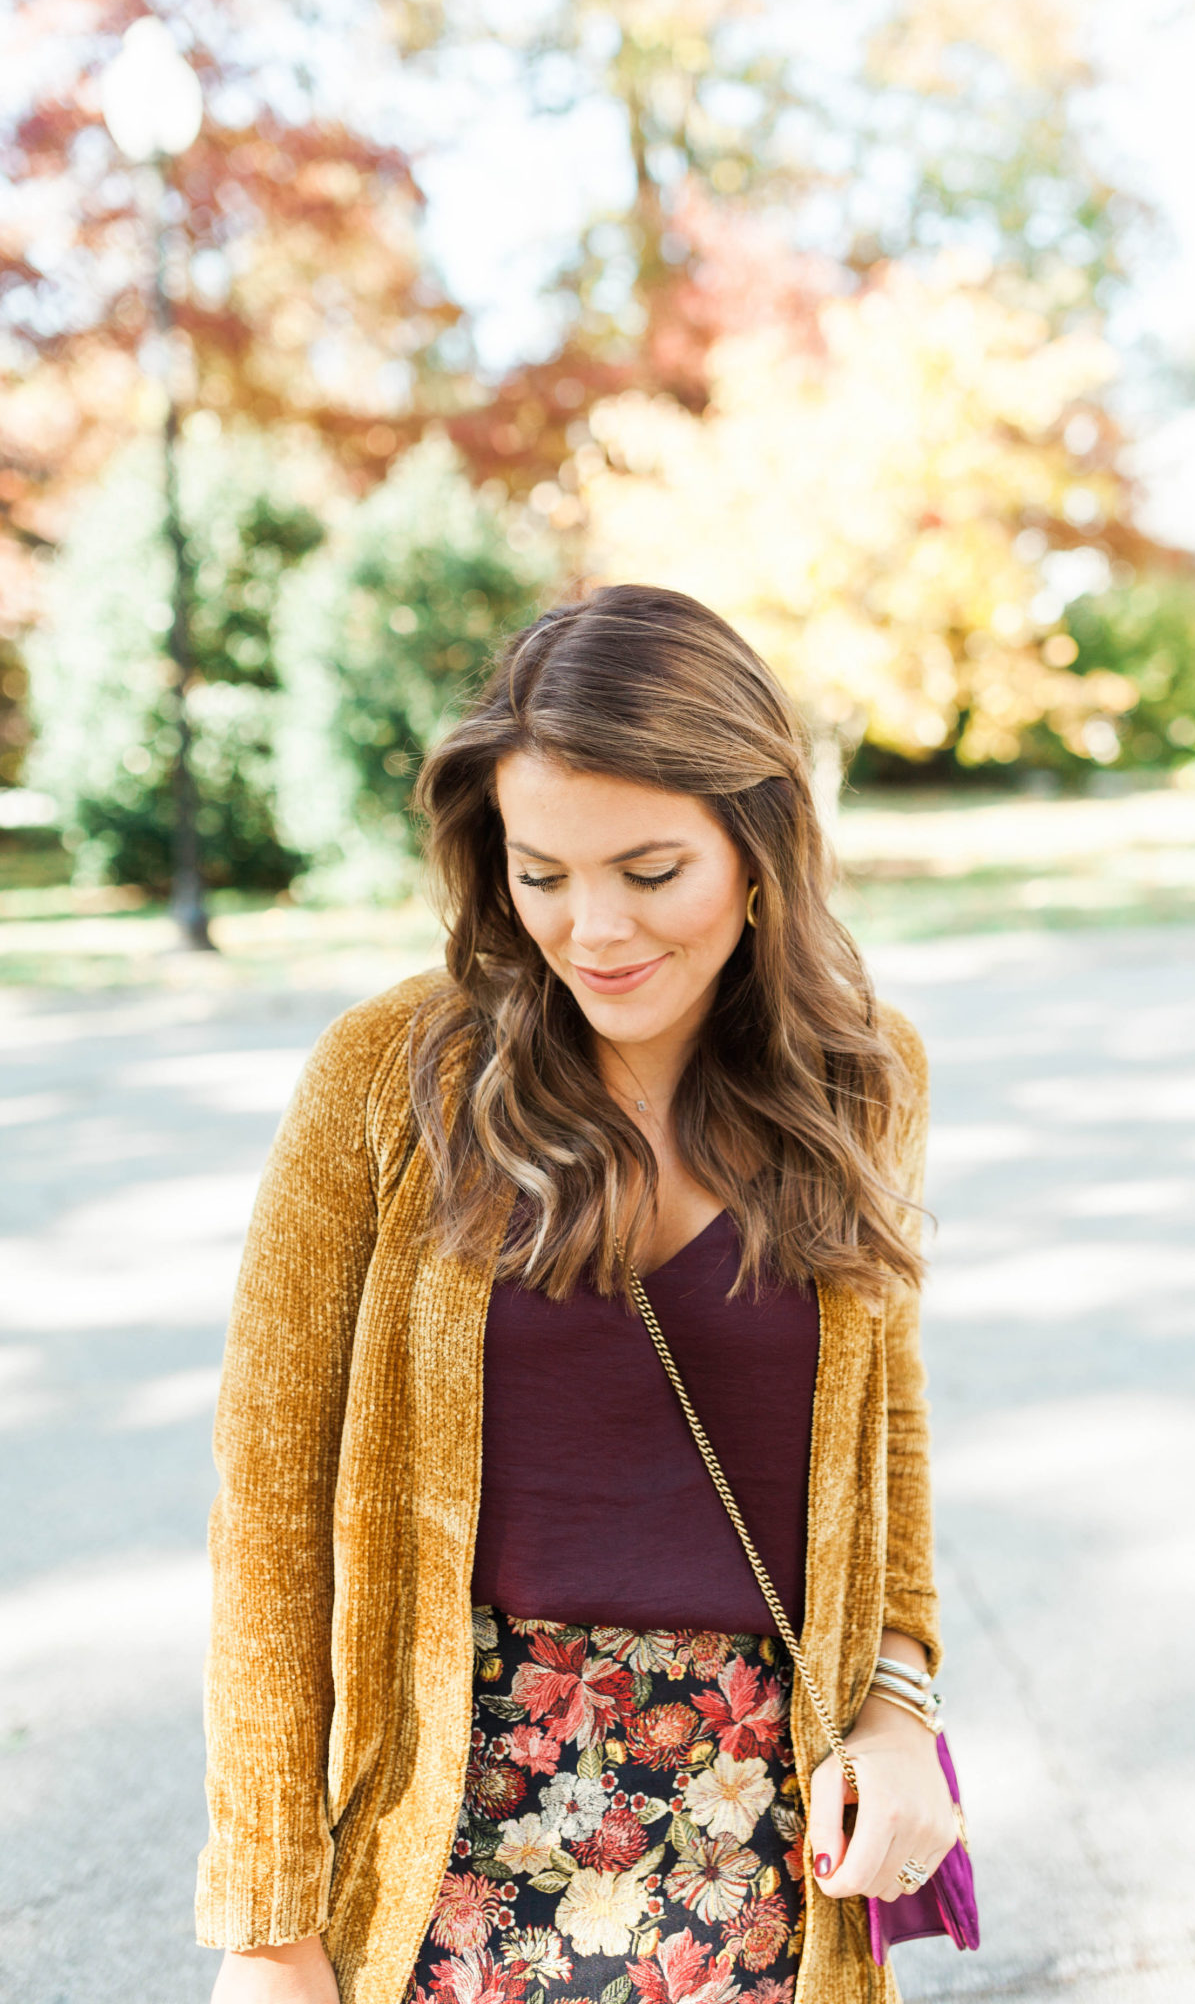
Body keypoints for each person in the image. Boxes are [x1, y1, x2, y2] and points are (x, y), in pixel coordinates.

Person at [200, 585, 957, 2004]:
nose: (592, 927)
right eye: (541, 873)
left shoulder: (862, 1075)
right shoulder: (390, 1082)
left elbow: (883, 1440)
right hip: (454, 1847)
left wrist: (903, 1708)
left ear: (760, 846)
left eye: (649, 870)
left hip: (767, 1853)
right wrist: (266, 1918)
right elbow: (273, 1509)